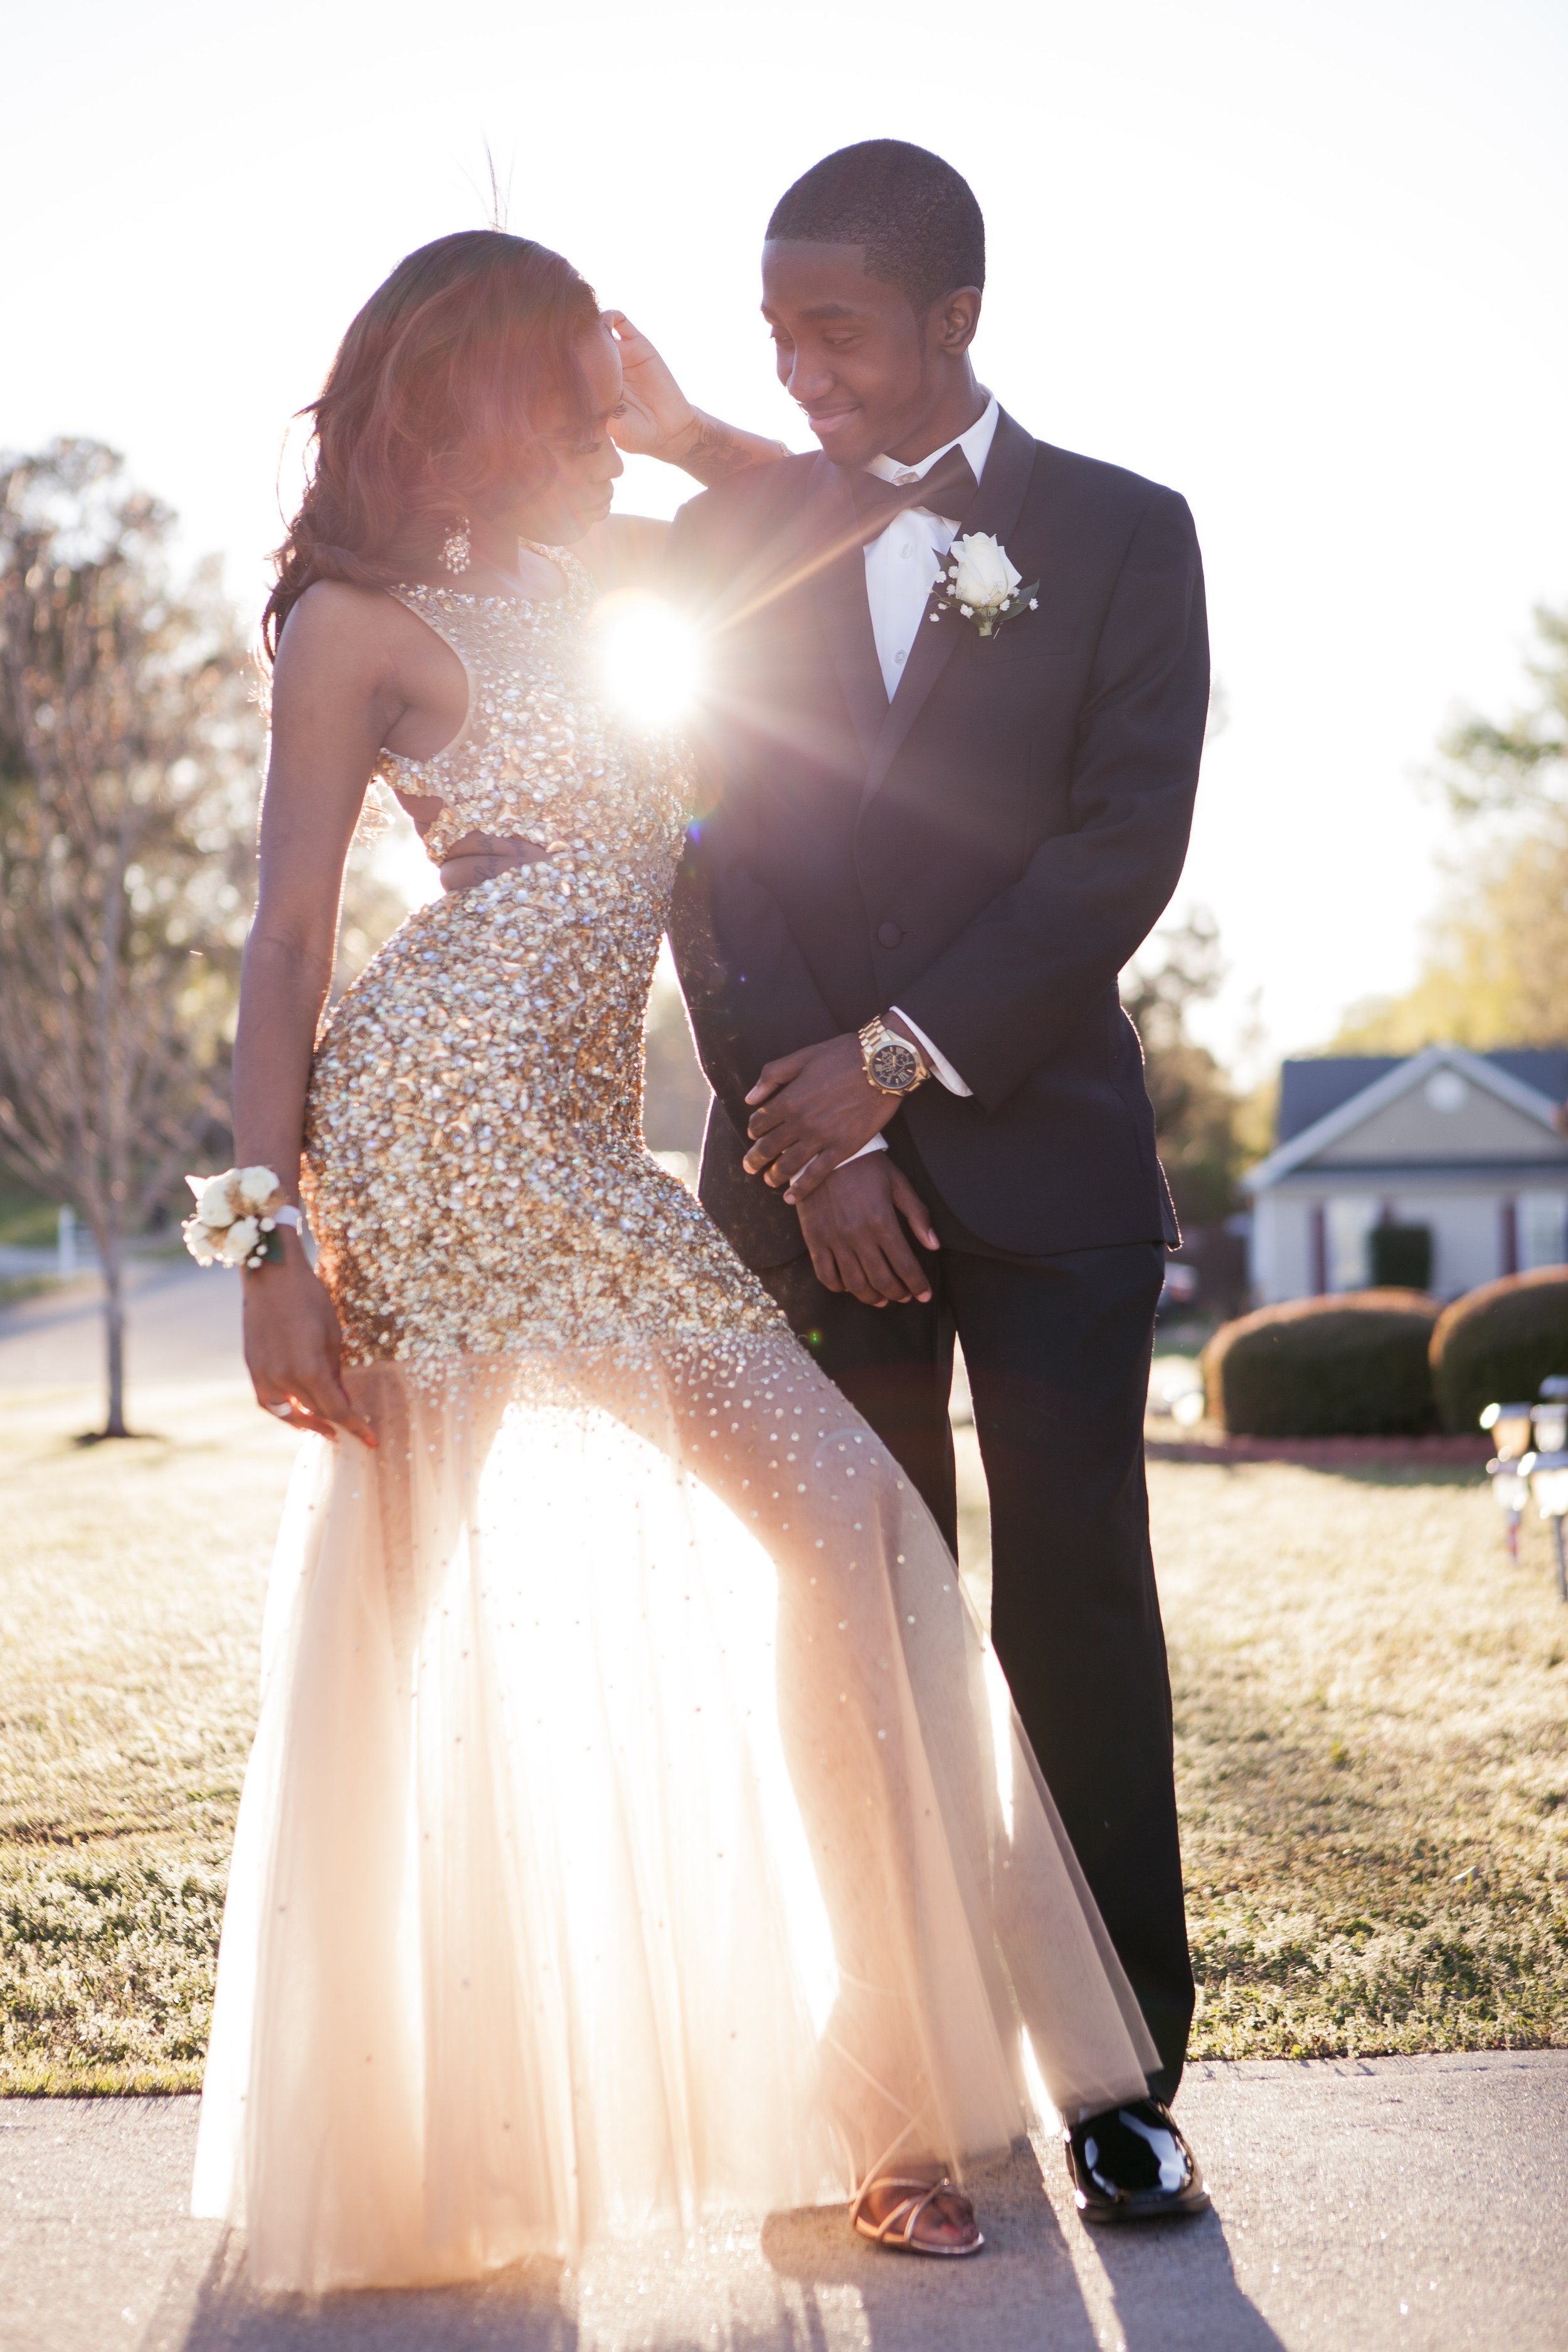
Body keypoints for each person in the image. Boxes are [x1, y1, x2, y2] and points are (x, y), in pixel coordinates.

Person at [189, 227, 1162, 2299]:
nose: (577, 416)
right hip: (422, 1145)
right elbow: (283, 940)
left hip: (590, 1156)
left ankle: (883, 2107)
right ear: (458, 399)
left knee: (846, 1529)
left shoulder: (634, 575)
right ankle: (401, 2153)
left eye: (583, 379)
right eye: (549, 381)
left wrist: (684, 419)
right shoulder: (355, 619)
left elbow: (819, 525)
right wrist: (269, 1235)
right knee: (404, 1624)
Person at [668, 140, 1211, 2223]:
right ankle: (898, 2083)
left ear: (954, 321)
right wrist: (808, 1142)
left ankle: (1116, 2075)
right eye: (774, 331)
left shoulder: (1121, 533)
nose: (798, 369)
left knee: (1072, 1613)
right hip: (806, 1185)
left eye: (835, 328)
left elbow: (1116, 850)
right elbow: (705, 843)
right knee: (857, 1631)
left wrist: (891, 1069)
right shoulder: (731, 539)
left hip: (1048, 1163)